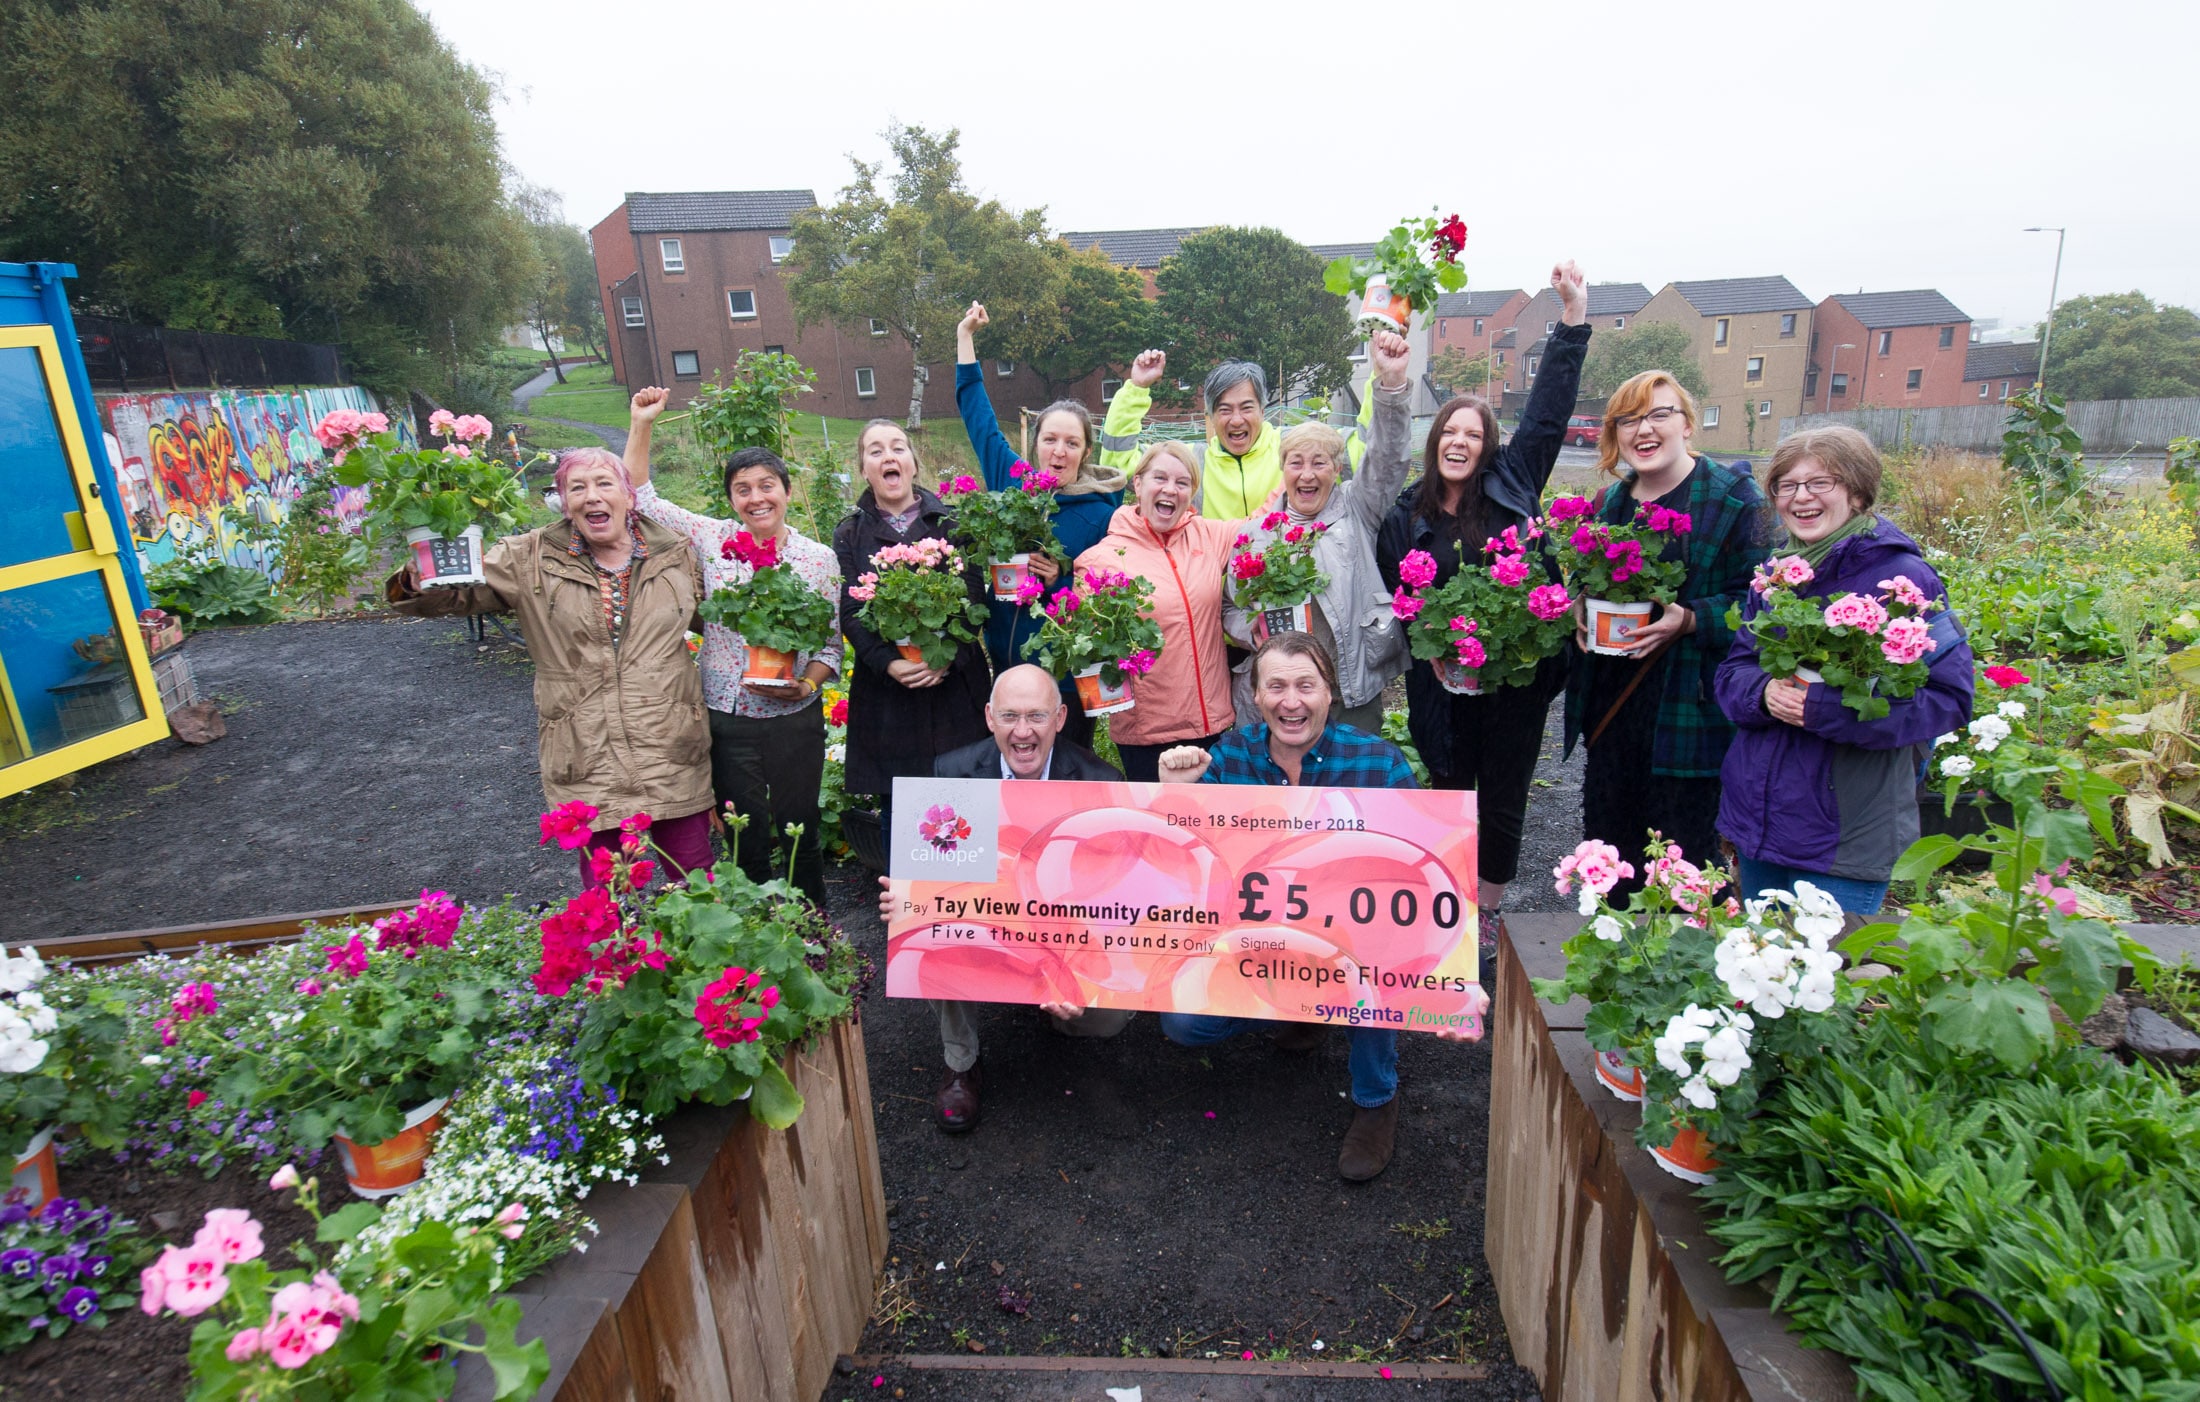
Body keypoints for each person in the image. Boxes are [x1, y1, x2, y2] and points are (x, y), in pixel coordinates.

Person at [1156, 633, 1478, 1182]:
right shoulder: (1231, 756)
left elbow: (1434, 871)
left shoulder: (1378, 762)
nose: (1291, 701)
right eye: (1275, 685)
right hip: (1263, 946)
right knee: (1184, 1023)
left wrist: (1450, 977)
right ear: (1253, 696)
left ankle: (1377, 1098)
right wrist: (1173, 792)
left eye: (1306, 685)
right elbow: (1188, 863)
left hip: (1355, 948)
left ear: (1330, 692)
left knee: (1374, 966)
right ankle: (1303, 1010)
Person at [1377, 261, 1589, 947]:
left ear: (1487, 445)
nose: (1461, 442)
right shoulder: (1407, 516)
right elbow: (1400, 597)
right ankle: (1445, 905)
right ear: (1434, 443)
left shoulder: (1515, 482)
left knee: (1501, 797)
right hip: (1442, 685)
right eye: (1450, 433)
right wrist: (1432, 649)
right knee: (1447, 788)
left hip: (1515, 686)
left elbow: (1549, 415)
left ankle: (1487, 910)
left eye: (1473, 434)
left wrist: (1571, 323)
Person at [386, 447, 715, 883]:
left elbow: (718, 622)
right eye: (577, 487)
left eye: (604, 484)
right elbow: (451, 594)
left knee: (695, 881)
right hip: (587, 750)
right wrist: (419, 573)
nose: (592, 496)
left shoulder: (675, 554)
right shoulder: (528, 558)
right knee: (608, 895)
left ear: (629, 497)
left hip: (671, 746)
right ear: (564, 502)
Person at [1715, 427, 1975, 914]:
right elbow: (1733, 674)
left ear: (1857, 492)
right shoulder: (1775, 575)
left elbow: (1950, 699)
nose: (1801, 498)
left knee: (1822, 983)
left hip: (1846, 834)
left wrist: (1823, 708)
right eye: (1787, 485)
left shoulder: (1903, 579)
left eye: (1820, 483)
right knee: (1761, 977)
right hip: (1760, 822)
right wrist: (1764, 693)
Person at [875, 664, 1129, 1132]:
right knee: (927, 928)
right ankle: (960, 1062)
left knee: (1108, 1017)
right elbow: (930, 881)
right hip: (985, 924)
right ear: (990, 717)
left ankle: (1056, 1014)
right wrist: (906, 900)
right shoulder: (951, 772)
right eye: (1010, 716)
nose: (1023, 731)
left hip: (1062, 929)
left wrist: (1073, 971)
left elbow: (1110, 898)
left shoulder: (1098, 781)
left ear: (1060, 717)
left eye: (1036, 716)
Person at [622, 389, 839, 905]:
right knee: (744, 835)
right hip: (728, 713)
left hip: (794, 715)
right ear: (731, 500)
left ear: (787, 491)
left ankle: (812, 930)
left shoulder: (818, 558)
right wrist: (641, 423)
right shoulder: (711, 537)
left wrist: (807, 683)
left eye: (767, 485)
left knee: (801, 830)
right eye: (743, 489)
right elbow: (641, 497)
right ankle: (755, 937)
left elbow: (830, 646)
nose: (756, 497)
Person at [1562, 372, 1774, 895]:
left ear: (1686, 423)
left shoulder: (1735, 501)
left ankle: (1688, 968)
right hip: (1613, 715)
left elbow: (1764, 601)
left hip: (1689, 718)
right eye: (1629, 420)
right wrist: (1577, 606)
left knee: (1686, 866)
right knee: (1610, 859)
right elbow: (1584, 579)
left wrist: (1692, 618)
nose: (1644, 430)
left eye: (1659, 414)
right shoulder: (1612, 501)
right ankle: (1612, 963)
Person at [1220, 329, 1415, 737]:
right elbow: (1230, 608)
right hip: (1280, 702)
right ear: (1283, 469)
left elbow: (1387, 458)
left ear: (1337, 469)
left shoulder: (1357, 509)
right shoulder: (1254, 535)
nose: (1307, 474)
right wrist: (1247, 629)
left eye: (1319, 463)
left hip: (1347, 696)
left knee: (1350, 792)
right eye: (1296, 462)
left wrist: (1391, 385)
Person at [954, 303, 1126, 746]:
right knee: (1012, 773)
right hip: (1008, 669)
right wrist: (965, 339)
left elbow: (1107, 594)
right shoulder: (1010, 483)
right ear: (1035, 444)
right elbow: (979, 419)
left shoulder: (1101, 514)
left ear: (1086, 452)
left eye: (1072, 442)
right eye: (1050, 439)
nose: (1059, 451)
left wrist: (1059, 578)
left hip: (1064, 681)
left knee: (1064, 775)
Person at [833, 419, 992, 824]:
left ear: (913, 463)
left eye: (898, 447)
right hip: (890, 695)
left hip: (955, 686)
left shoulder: (954, 525)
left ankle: (965, 890)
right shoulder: (849, 534)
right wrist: (890, 662)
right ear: (864, 470)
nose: (889, 456)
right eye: (876, 450)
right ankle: (903, 889)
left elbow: (974, 598)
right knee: (901, 815)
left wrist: (945, 656)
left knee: (965, 807)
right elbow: (851, 611)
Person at [1074, 442, 1238, 781]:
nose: (1170, 489)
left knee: (1212, 826)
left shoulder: (1209, 535)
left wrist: (1299, 470)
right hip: (1147, 737)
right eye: (1159, 478)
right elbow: (1084, 653)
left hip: (1214, 723)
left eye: (1182, 483)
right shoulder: (1101, 558)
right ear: (1138, 484)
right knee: (1158, 828)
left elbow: (1265, 525)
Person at [1099, 354, 1369, 522]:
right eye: (1224, 410)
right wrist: (1136, 389)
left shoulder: (1295, 447)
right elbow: (1120, 464)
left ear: (1263, 410)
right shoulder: (1193, 462)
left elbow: (1370, 449)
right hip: (1224, 600)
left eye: (1246, 407)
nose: (1236, 420)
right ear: (1210, 417)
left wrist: (1384, 376)